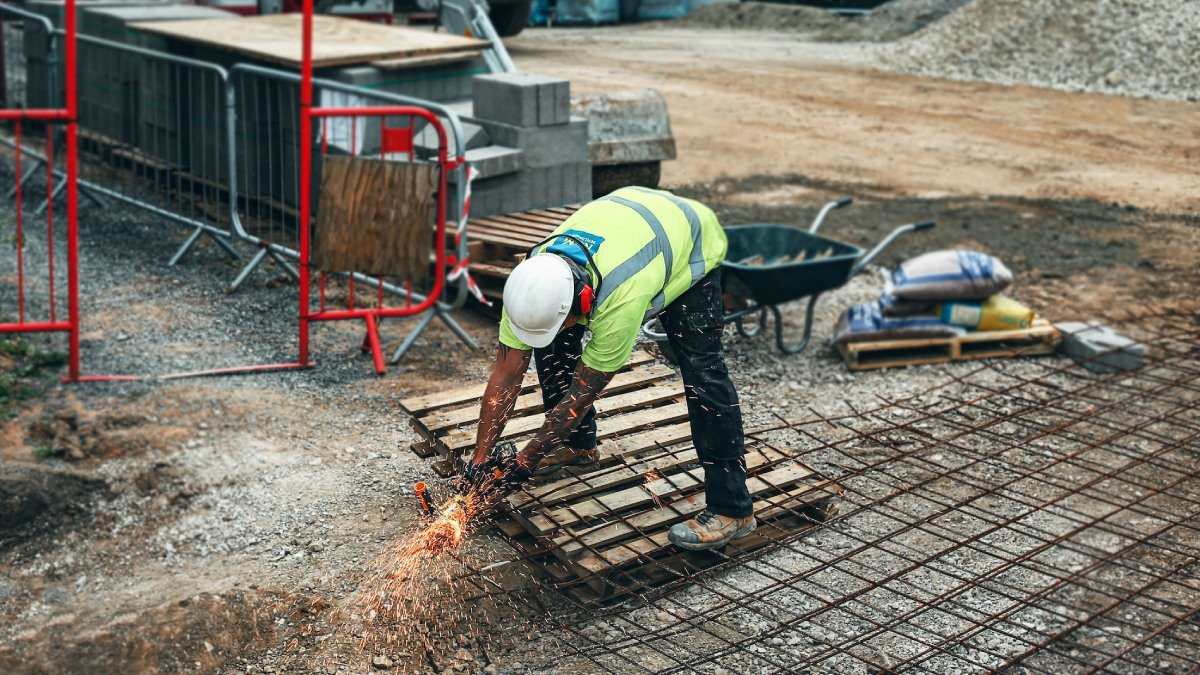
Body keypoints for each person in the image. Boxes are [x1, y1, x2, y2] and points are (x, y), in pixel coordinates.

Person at [462, 186, 753, 551]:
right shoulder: (533, 281)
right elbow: (506, 374)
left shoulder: (621, 298)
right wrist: (481, 457)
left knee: (702, 372)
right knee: (551, 343)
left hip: (691, 240)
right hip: (631, 219)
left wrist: (526, 459)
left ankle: (733, 508)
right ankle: (578, 446)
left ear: (585, 303)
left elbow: (581, 394)